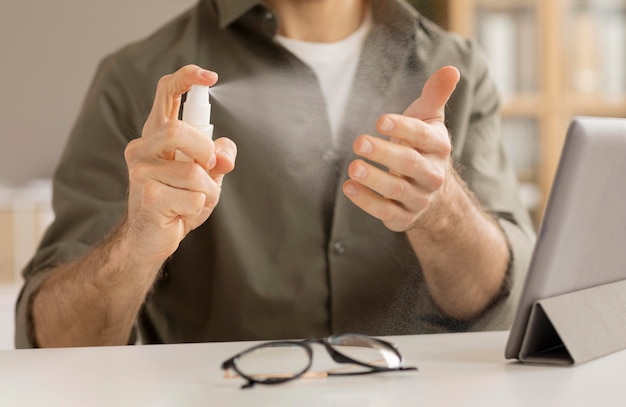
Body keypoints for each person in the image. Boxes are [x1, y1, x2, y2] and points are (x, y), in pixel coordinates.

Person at [15, 0, 535, 348]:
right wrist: (136, 244)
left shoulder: (457, 68)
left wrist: (444, 214)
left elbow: (511, 308)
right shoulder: (135, 80)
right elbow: (50, 342)